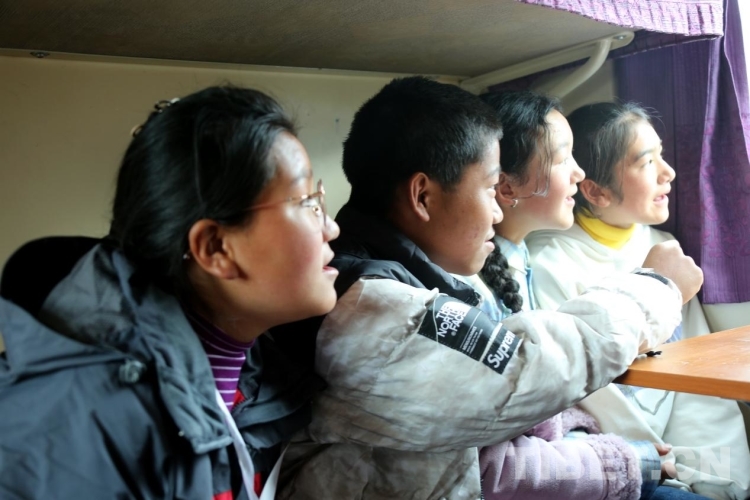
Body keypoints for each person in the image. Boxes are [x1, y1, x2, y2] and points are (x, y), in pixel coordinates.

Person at [274, 76, 702, 499]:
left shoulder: (399, 284)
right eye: (488, 188)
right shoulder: (371, 307)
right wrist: (656, 287)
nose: (497, 212)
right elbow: (526, 369)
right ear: (423, 197)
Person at [0, 85, 340, 499]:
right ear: (216, 249)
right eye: (308, 203)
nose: (331, 226)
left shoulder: (256, 382)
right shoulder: (79, 436)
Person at [473, 90, 713, 500]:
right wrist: (644, 461)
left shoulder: (520, 261)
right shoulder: (540, 267)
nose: (579, 173)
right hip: (600, 462)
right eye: (563, 158)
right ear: (507, 186)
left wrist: (709, 470)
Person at [527, 101, 750, 499]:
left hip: (687, 456)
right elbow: (595, 399)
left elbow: (697, 378)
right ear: (595, 191)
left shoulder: (664, 249)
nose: (669, 172)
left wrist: (717, 477)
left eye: (661, 155)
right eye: (648, 162)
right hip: (627, 463)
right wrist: (658, 466)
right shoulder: (550, 264)